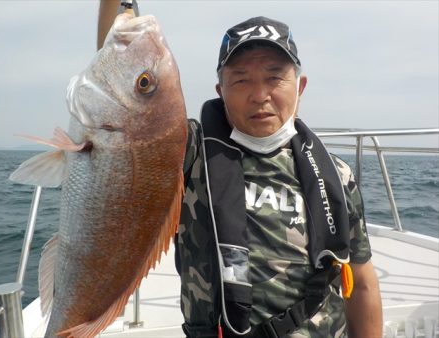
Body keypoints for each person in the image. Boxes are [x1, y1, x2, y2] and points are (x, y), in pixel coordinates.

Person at [97, 2, 383, 337]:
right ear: (221, 91)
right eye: (241, 80)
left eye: (274, 77)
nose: (260, 95)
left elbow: (361, 285)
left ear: (300, 86)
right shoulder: (189, 154)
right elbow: (122, 80)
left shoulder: (337, 176)